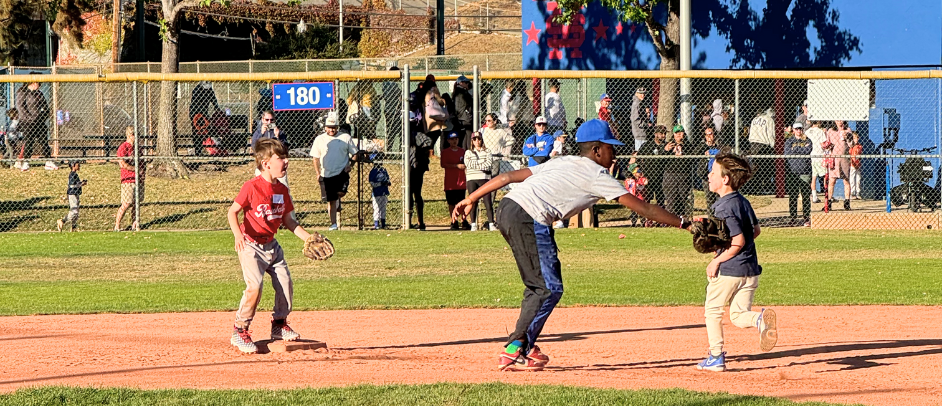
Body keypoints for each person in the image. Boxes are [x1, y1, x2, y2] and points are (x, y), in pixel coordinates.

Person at [452, 119, 692, 372]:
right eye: (610, 147)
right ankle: (515, 348)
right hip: (530, 216)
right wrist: (685, 223)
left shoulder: (562, 161)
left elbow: (509, 176)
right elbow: (644, 208)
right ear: (597, 150)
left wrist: (471, 198)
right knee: (547, 288)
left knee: (538, 285)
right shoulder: (596, 174)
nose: (615, 153)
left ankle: (525, 344)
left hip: (509, 208)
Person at [227, 138, 316, 354]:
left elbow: (289, 222)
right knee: (255, 287)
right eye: (280, 158)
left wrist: (307, 238)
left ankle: (279, 324)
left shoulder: (282, 191)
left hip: (272, 246)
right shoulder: (252, 187)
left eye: (286, 158)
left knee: (285, 284)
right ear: (266, 163)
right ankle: (240, 330)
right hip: (250, 245)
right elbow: (232, 212)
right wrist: (238, 235)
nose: (286, 162)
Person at [696, 147, 777, 372]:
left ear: (725, 179)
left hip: (730, 270)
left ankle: (715, 356)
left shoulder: (723, 206)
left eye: (713, 172)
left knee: (712, 310)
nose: (709, 176)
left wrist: (717, 260)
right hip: (750, 270)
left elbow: (738, 240)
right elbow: (756, 231)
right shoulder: (742, 201)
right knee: (739, 315)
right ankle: (759, 320)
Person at [311, 112, 361, 231]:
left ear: (337, 127)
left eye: (334, 128)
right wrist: (318, 173)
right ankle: (333, 224)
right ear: (325, 127)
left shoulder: (345, 137)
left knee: (340, 193)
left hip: (341, 173)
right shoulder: (320, 139)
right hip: (326, 174)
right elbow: (315, 157)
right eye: (329, 127)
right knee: (331, 200)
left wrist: (350, 165)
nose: (332, 130)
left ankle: (338, 202)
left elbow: (355, 154)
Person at [15, 78, 55, 170]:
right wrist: (30, 118)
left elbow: (45, 107)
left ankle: (48, 161)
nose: (39, 85)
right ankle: (25, 162)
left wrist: (43, 117)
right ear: (32, 82)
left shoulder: (39, 94)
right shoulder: (23, 92)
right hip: (27, 122)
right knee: (29, 141)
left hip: (39, 122)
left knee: (44, 141)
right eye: (38, 83)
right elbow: (21, 108)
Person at [114, 126, 145, 232]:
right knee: (126, 203)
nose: (137, 137)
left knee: (136, 204)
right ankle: (117, 225)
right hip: (128, 179)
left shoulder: (138, 149)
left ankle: (135, 224)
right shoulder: (123, 147)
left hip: (138, 179)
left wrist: (142, 173)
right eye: (135, 135)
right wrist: (135, 170)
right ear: (130, 135)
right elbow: (122, 164)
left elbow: (142, 164)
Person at [464, 131, 496, 231]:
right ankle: (473, 223)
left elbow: (489, 164)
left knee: (487, 201)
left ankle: (491, 223)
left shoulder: (487, 151)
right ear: (472, 141)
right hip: (472, 179)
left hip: (484, 178)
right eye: (474, 139)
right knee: (473, 201)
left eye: (479, 139)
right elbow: (468, 164)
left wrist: (476, 165)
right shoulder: (468, 152)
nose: (477, 141)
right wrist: (481, 165)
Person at [783, 122, 813, 226]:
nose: (798, 131)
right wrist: (800, 150)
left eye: (800, 129)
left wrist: (795, 150)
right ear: (793, 130)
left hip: (805, 171)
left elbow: (808, 150)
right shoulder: (789, 141)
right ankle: (793, 217)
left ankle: (806, 217)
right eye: (796, 129)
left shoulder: (807, 140)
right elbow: (787, 153)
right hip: (793, 171)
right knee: (793, 195)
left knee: (805, 195)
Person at [662, 125, 694, 217]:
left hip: (683, 174)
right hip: (670, 174)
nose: (679, 134)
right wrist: (666, 150)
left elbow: (691, 161)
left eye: (681, 132)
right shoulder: (669, 145)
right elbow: (661, 161)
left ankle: (681, 218)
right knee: (671, 198)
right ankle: (670, 219)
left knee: (683, 197)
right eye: (677, 133)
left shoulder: (688, 146)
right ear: (674, 134)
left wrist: (683, 151)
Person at [441, 132, 470, 230]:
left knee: (461, 202)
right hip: (450, 182)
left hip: (461, 181)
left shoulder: (463, 151)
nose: (454, 141)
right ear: (448, 140)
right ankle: (453, 221)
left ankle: (463, 220)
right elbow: (444, 164)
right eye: (452, 139)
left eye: (456, 139)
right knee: (451, 203)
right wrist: (456, 166)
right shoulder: (445, 152)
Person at [636, 124, 669, 208]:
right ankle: (646, 219)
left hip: (661, 177)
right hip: (648, 177)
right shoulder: (647, 145)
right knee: (646, 200)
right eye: (661, 133)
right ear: (655, 134)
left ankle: (661, 219)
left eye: (664, 133)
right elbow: (638, 159)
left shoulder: (667, 146)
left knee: (661, 201)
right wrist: (640, 170)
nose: (663, 136)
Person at [825, 120, 853, 211]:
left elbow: (851, 145)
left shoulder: (848, 130)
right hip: (834, 159)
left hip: (844, 159)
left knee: (846, 181)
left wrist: (848, 137)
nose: (840, 122)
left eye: (841, 120)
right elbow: (826, 144)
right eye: (837, 120)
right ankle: (828, 202)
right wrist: (828, 146)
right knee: (832, 180)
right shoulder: (831, 131)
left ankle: (847, 202)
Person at [747, 109, 776, 194]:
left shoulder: (755, 119)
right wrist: (773, 146)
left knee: (755, 167)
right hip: (763, 145)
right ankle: (765, 187)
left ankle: (755, 188)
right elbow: (771, 134)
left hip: (753, 144)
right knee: (766, 168)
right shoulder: (769, 120)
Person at [56, 161, 87, 232]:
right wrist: (81, 184)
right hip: (72, 194)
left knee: (77, 211)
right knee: (74, 211)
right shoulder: (72, 174)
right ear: (73, 166)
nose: (79, 166)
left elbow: (75, 183)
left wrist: (81, 183)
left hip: (75, 193)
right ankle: (62, 221)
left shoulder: (75, 174)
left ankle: (74, 226)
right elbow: (72, 185)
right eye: (77, 164)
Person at [698, 126, 722, 212]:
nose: (709, 136)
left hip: (718, 176)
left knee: (720, 199)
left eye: (711, 134)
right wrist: (706, 146)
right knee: (710, 200)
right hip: (707, 176)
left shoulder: (720, 146)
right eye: (706, 135)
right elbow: (696, 153)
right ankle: (711, 219)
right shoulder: (701, 146)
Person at [805, 121, 828, 203]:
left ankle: (814, 196)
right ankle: (827, 195)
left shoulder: (807, 132)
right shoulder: (820, 131)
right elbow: (823, 144)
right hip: (820, 155)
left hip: (811, 156)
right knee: (825, 176)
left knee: (813, 177)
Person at [368, 151, 391, 230]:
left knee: (383, 208)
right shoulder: (373, 172)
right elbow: (372, 183)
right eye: (378, 159)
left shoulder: (384, 170)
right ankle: (376, 224)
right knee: (377, 208)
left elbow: (387, 179)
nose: (380, 161)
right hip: (376, 193)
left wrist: (387, 183)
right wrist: (380, 183)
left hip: (384, 192)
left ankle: (383, 224)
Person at [425, 87, 450, 153]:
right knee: (436, 132)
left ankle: (429, 150)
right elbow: (440, 102)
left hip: (426, 118)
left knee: (431, 134)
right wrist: (443, 102)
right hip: (434, 119)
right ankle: (430, 150)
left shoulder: (423, 92)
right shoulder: (433, 90)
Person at [452, 75, 474, 150]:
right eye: (466, 82)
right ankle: (468, 153)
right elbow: (471, 102)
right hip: (465, 118)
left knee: (463, 138)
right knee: (468, 136)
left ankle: (463, 153)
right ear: (461, 83)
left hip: (459, 118)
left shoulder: (455, 92)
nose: (468, 84)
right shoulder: (463, 93)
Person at [849, 131, 863, 200]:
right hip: (852, 164)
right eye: (854, 138)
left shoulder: (859, 146)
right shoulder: (851, 147)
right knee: (852, 177)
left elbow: (859, 155)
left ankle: (858, 192)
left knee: (858, 178)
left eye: (857, 138)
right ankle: (852, 192)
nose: (856, 139)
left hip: (858, 164)